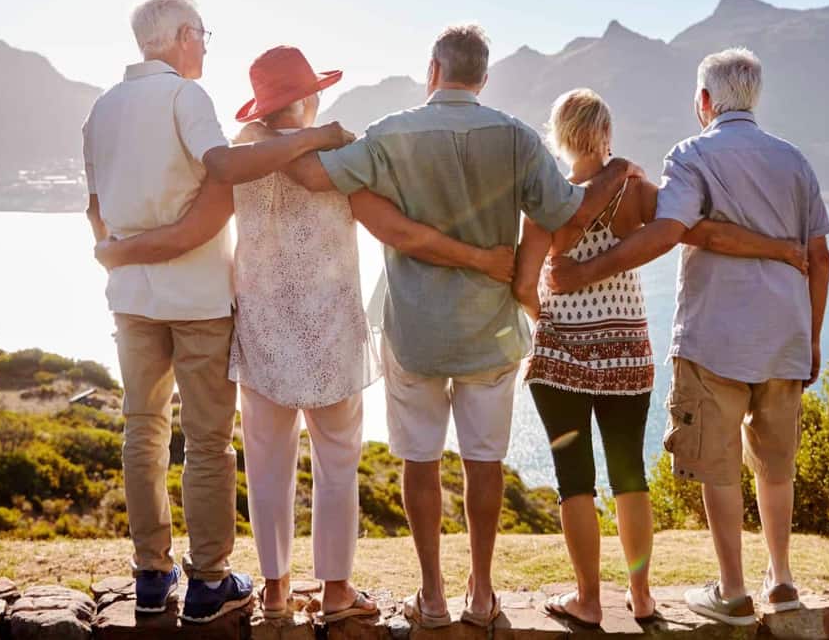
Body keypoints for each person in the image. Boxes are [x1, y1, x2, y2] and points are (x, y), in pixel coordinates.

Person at [95, 45, 514, 623]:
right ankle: (337, 592)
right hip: (331, 335)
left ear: (264, 102)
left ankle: (274, 591)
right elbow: (388, 222)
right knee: (338, 464)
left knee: (267, 465)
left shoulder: (239, 153)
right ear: (312, 95)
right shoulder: (340, 154)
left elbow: (205, 222)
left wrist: (121, 248)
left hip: (263, 331)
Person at [270, 24, 642, 628]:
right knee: (484, 463)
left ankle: (433, 595)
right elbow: (564, 211)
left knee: (420, 462)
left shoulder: (390, 133)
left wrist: (299, 133)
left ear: (433, 70)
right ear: (484, 77)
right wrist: (616, 172)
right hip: (491, 330)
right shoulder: (519, 137)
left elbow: (314, 177)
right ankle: (482, 593)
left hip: (414, 331)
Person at [81, 0, 354, 623]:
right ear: (180, 35)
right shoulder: (185, 97)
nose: (205, 44)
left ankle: (151, 575)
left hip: (130, 300)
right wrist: (317, 135)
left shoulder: (100, 111)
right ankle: (208, 581)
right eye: (202, 33)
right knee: (206, 441)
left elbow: (95, 208)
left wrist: (117, 254)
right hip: (199, 297)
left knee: (141, 429)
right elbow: (225, 167)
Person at [547, 49, 829, 628]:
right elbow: (820, 254)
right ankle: (780, 581)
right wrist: (814, 335)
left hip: (713, 339)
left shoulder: (691, 154)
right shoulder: (794, 161)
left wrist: (580, 274)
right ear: (753, 96)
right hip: (786, 337)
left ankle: (731, 590)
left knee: (719, 465)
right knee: (776, 467)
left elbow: (671, 233)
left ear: (704, 101)